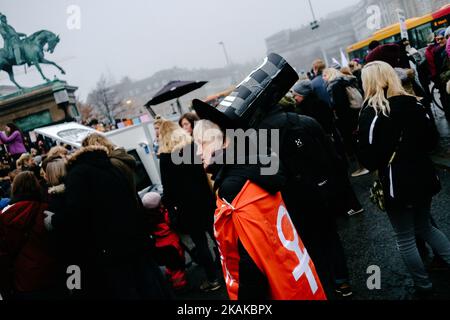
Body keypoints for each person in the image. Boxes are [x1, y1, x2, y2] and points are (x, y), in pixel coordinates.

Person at [192, 119, 326, 300]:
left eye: (203, 143)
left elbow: (247, 263)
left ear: (225, 141)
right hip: (298, 277)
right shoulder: (254, 167)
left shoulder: (232, 187)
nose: (198, 152)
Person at [357, 61, 450, 297]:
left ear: (369, 82)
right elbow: (432, 141)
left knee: (405, 237)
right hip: (424, 173)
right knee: (426, 226)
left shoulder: (372, 112)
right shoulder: (413, 103)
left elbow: (368, 158)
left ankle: (424, 286)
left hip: (396, 181)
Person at [51, 143, 172, 299]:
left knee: (126, 288)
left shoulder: (77, 175)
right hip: (133, 237)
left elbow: (77, 212)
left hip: (109, 246)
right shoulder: (110, 166)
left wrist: (54, 220)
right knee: (147, 283)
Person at [158, 120, 221, 292]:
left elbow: (168, 188)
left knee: (200, 243)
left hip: (187, 207)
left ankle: (212, 279)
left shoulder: (165, 157)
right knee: (217, 235)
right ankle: (230, 268)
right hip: (205, 199)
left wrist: (170, 207)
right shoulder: (192, 147)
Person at [291, 80, 363, 217]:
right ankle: (352, 205)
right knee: (339, 176)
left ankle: (351, 206)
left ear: (303, 94)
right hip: (331, 144)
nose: (295, 98)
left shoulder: (308, 110)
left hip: (327, 145)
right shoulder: (319, 103)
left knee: (337, 178)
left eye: (296, 95)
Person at [0, 171, 57, 299]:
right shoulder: (48, 210)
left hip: (21, 279)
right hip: (50, 275)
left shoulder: (5, 215)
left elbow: (3, 253)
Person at [323, 68, 368, 178]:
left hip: (347, 120)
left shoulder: (335, 85)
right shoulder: (345, 80)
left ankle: (364, 167)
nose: (323, 78)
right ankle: (367, 163)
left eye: (324, 75)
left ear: (330, 75)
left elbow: (341, 106)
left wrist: (338, 117)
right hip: (355, 114)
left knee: (354, 142)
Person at [142, 192, 187, 292]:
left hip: (159, 244)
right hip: (172, 243)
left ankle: (169, 274)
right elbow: (172, 223)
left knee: (169, 263)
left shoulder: (147, 218)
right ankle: (180, 285)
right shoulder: (164, 215)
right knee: (177, 266)